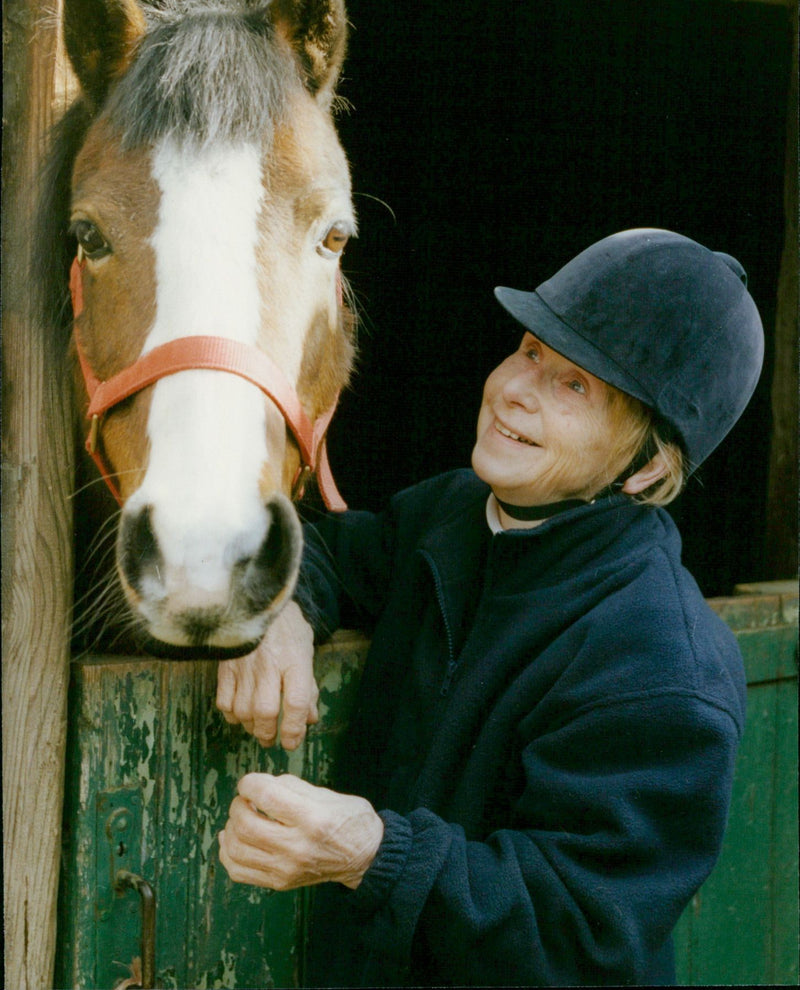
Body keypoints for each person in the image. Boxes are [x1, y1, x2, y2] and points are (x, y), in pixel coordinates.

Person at [217, 228, 764, 986]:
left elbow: (581, 932)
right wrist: (277, 607)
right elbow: (333, 548)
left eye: (574, 385)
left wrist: (374, 854)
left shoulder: (664, 662)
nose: (514, 387)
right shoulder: (454, 513)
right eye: (531, 350)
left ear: (648, 465)